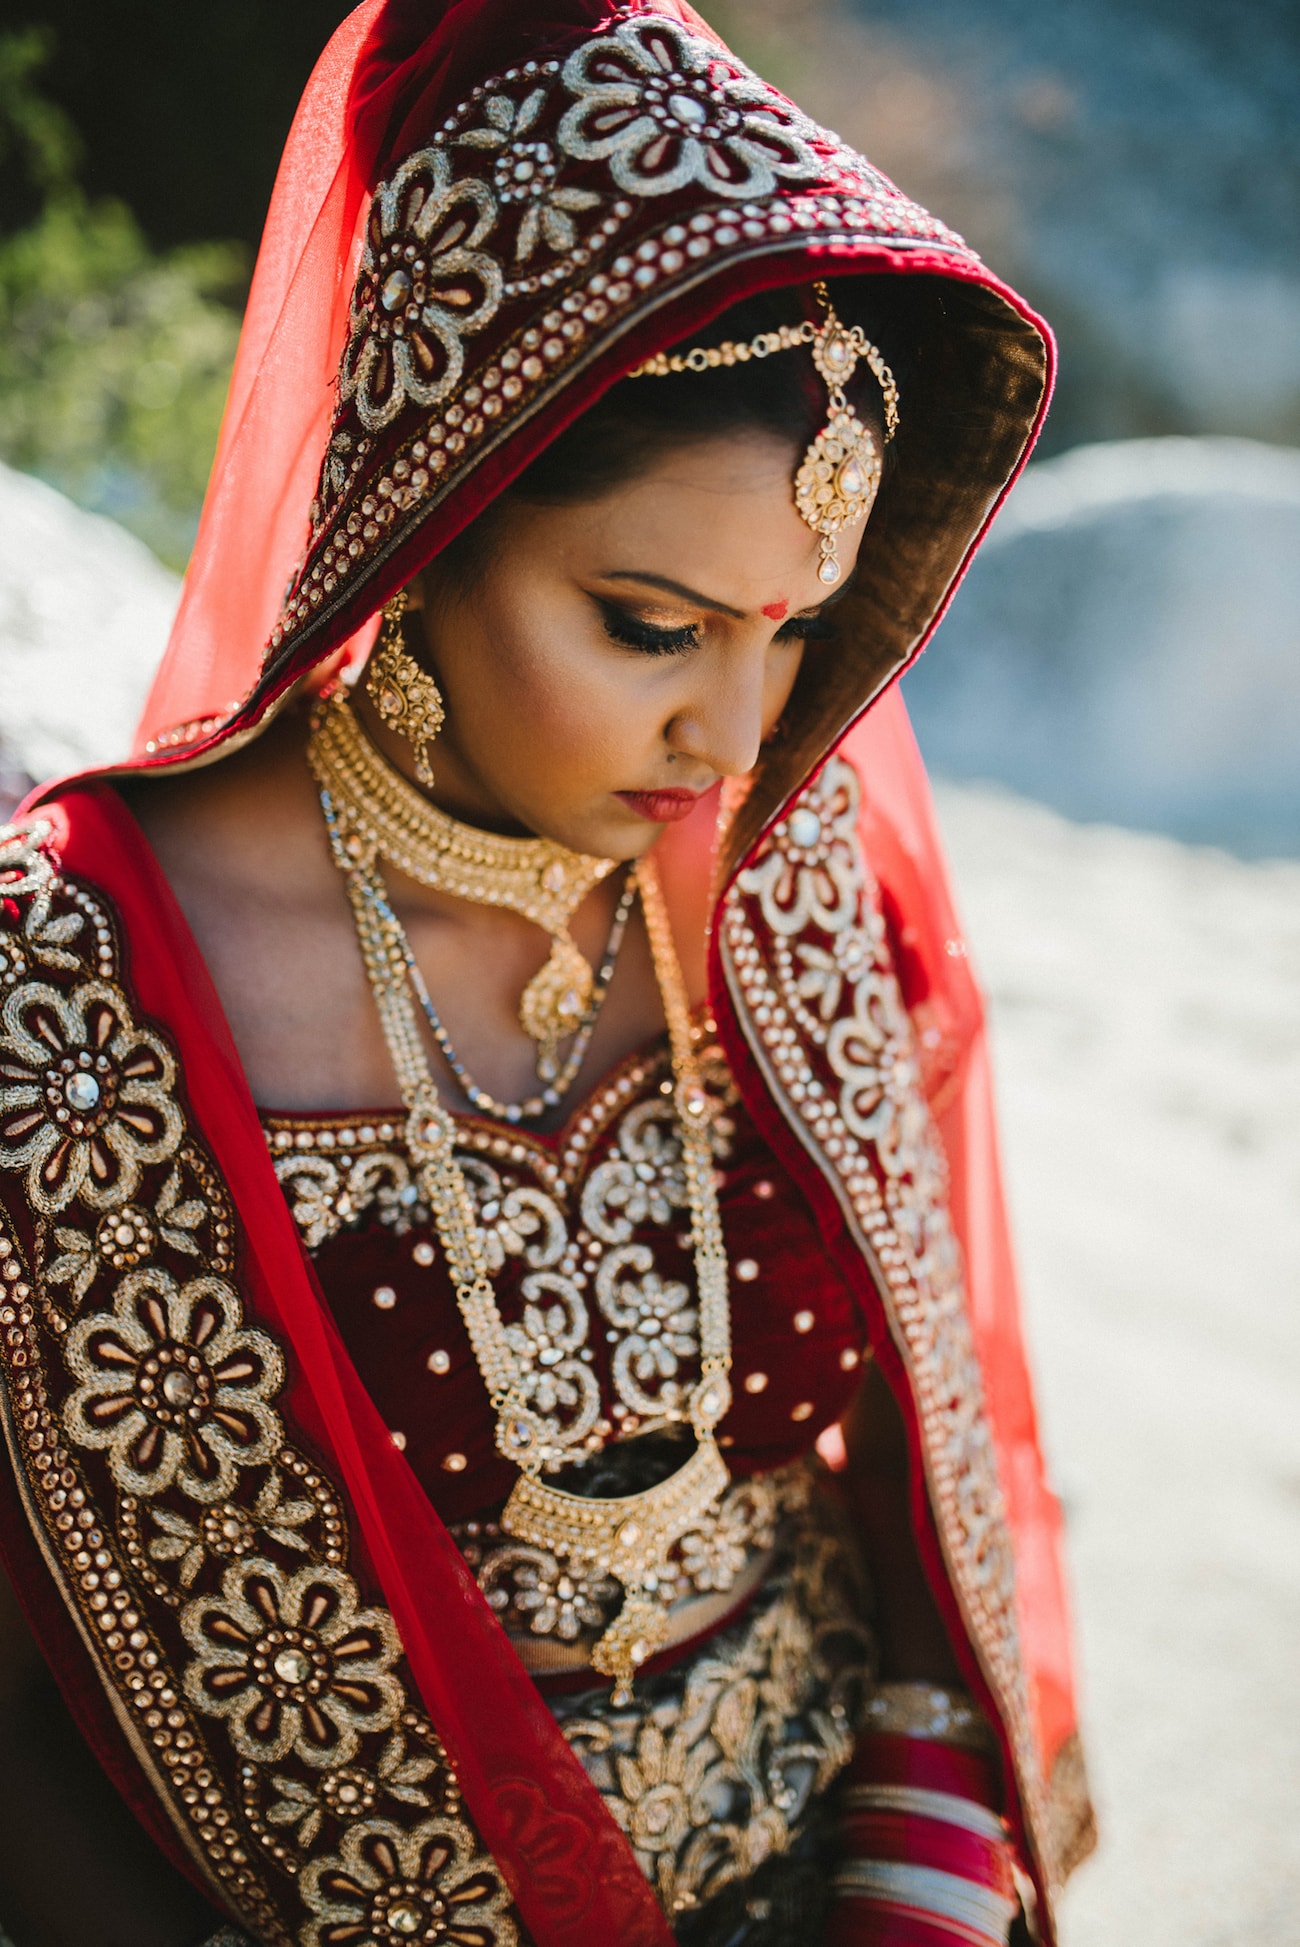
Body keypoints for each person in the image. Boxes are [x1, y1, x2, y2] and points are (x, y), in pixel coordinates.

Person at [0, 3, 1095, 1943]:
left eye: (790, 633)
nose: (736, 731)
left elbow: (910, 1472)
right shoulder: (77, 985)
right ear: (421, 515)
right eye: (650, 624)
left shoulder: (776, 869)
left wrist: (921, 1860)